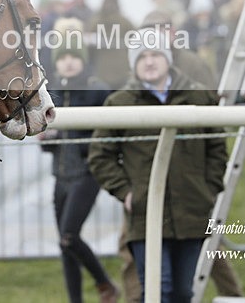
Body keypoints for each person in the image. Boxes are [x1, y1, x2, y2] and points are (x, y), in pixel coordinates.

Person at [88, 28, 228, 303]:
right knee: (156, 289)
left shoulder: (198, 97)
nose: (149, 62)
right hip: (145, 213)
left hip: (191, 210)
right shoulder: (120, 104)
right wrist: (126, 192)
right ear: (133, 63)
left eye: (155, 54)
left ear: (168, 58)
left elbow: (217, 149)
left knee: (183, 293)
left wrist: (207, 189)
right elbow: (100, 155)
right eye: (142, 57)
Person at [40, 41, 120, 303]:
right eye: (63, 57)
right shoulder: (51, 91)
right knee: (65, 246)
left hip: (87, 173)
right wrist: (47, 138)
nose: (69, 61)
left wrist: (77, 137)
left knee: (69, 236)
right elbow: (48, 138)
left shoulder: (98, 90)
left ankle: (105, 283)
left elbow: (107, 134)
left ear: (84, 60)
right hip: (60, 175)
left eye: (74, 56)